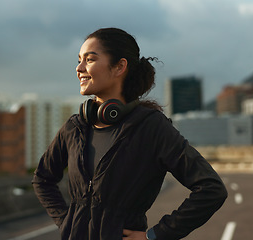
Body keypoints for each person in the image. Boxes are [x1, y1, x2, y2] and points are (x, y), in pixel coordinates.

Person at [32, 27, 227, 240]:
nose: (79, 68)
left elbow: (211, 189)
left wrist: (155, 235)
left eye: (89, 60)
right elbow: (43, 178)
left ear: (119, 67)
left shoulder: (151, 127)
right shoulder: (75, 127)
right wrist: (67, 222)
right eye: (79, 60)